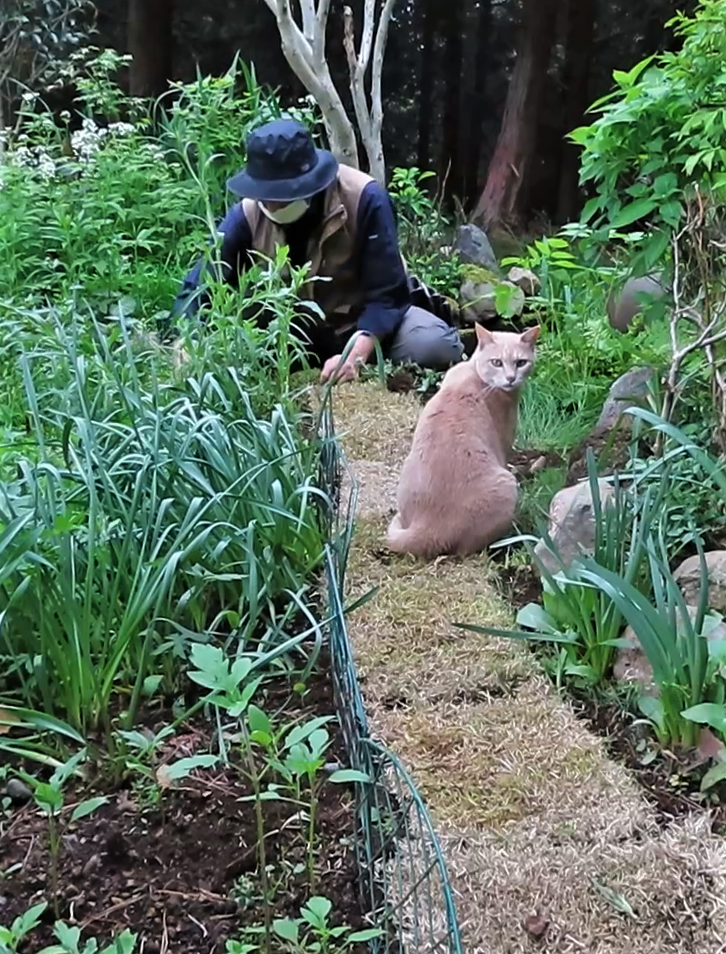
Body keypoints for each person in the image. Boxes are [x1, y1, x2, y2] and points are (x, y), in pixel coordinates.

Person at [169, 118, 464, 384]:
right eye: (265, 195)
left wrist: (355, 355)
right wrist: (187, 341)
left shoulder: (364, 198)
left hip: (361, 325)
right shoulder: (245, 216)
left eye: (281, 196)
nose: (271, 205)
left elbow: (387, 296)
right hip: (286, 333)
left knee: (434, 345)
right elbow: (197, 287)